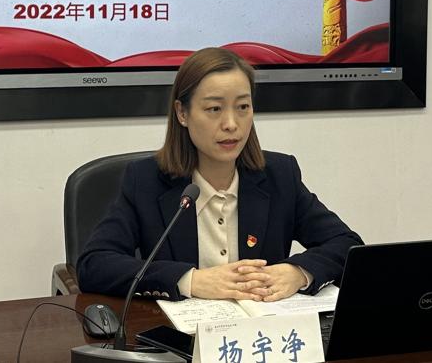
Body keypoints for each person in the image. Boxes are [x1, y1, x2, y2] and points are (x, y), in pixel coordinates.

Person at [76, 47, 362, 302]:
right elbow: (95, 264)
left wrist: (298, 272)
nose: (231, 124)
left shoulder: (279, 176)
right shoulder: (146, 181)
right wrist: (191, 280)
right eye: (214, 109)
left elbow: (347, 244)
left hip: (263, 333)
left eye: (243, 107)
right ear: (182, 113)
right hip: (181, 337)